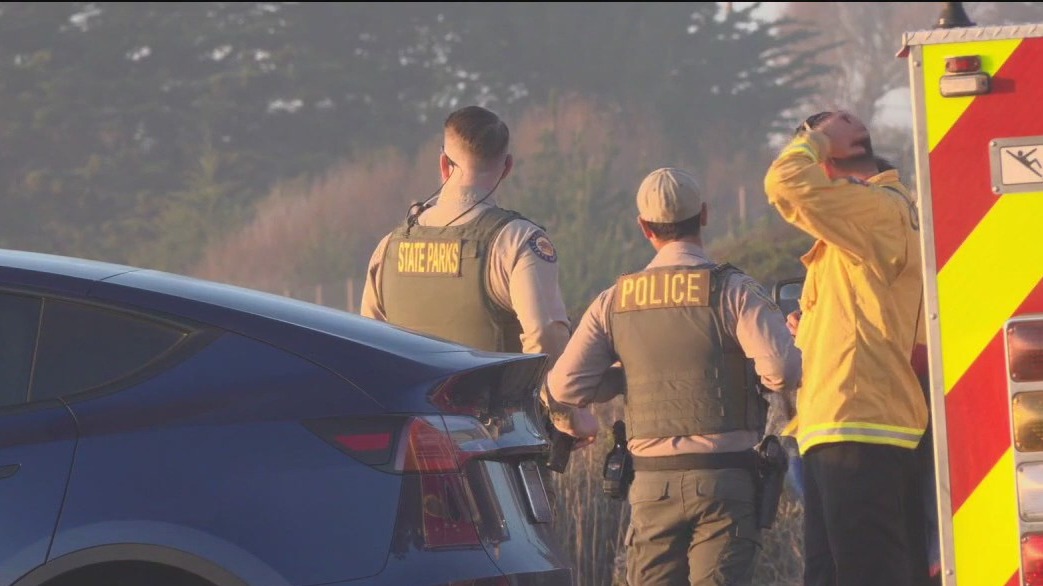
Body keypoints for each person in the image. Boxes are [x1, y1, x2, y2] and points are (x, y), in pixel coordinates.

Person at [546, 167, 802, 586]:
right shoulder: (734, 290)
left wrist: (627, 376)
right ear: (704, 214)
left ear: (644, 227)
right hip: (725, 481)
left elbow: (564, 387)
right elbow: (782, 372)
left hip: (651, 486)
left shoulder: (614, 302)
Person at [360, 104, 596, 442]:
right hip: (496, 445)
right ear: (507, 167)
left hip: (412, 443)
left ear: (444, 164)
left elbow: (370, 344)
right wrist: (563, 413)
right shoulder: (517, 241)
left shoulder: (389, 247)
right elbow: (544, 337)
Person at [763, 110, 930, 586]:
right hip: (849, 427)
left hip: (857, 428)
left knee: (861, 573)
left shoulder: (876, 208)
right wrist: (811, 327)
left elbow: (785, 184)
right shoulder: (870, 223)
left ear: (834, 159)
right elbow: (874, 322)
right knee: (832, 573)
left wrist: (816, 139)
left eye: (820, 158)